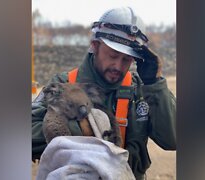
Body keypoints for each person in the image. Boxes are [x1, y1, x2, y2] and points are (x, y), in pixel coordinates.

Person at [32, 7, 176, 180]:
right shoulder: (63, 85)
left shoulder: (143, 90)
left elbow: (172, 139)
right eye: (113, 55)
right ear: (95, 45)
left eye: (126, 59)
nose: (118, 66)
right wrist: (77, 129)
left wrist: (154, 84)